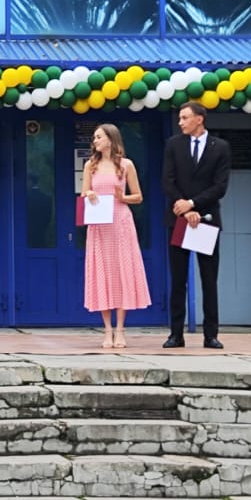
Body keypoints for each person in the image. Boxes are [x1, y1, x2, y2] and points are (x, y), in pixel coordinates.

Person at [161, 101, 230, 349]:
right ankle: (175, 334)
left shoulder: (220, 147)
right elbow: (167, 180)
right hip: (179, 219)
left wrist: (193, 205)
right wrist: (183, 206)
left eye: (185, 118)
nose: (180, 122)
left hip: (207, 220)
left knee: (209, 279)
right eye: (180, 118)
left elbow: (220, 186)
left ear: (199, 119)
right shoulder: (173, 144)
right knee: (178, 279)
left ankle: (211, 335)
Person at [81, 122, 150, 349]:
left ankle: (120, 329)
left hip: (120, 222)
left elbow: (138, 196)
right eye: (94, 137)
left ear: (111, 139)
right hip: (99, 225)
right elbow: (83, 196)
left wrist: (123, 198)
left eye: (99, 137)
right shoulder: (90, 165)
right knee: (102, 273)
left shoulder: (126, 165)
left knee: (122, 273)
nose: (95, 141)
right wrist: (90, 194)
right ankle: (107, 330)